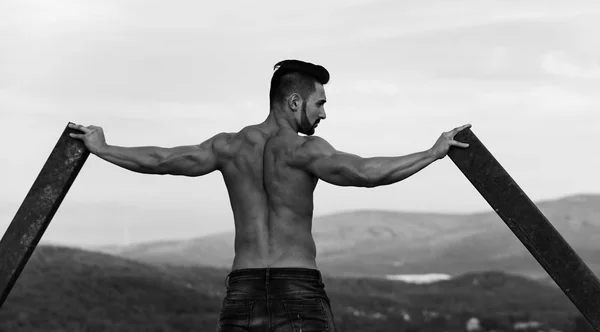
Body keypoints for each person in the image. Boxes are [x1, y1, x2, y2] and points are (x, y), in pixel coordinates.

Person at [69, 59, 471, 332]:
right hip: (297, 288)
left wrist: (104, 148)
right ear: (294, 101)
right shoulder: (304, 150)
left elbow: (162, 159)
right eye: (320, 103)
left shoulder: (228, 146)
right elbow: (366, 174)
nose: (324, 114)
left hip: (242, 290)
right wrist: (432, 153)